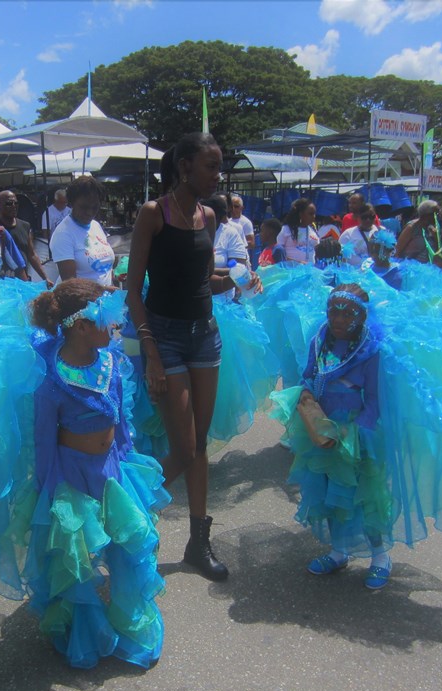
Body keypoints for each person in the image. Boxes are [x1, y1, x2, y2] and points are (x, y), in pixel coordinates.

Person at [126, 131, 261, 581]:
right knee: (183, 450)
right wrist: (150, 353)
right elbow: (133, 290)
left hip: (206, 337)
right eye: (210, 166)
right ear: (184, 167)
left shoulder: (206, 216)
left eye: (219, 166)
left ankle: (197, 544)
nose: (217, 175)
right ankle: (124, 512)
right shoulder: (154, 213)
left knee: (199, 446)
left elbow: (206, 280)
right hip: (164, 339)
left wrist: (241, 279)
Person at [25, 280, 168, 668]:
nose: (115, 327)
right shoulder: (51, 380)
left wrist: (126, 459)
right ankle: (82, 626)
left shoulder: (111, 364)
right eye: (107, 320)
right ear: (81, 326)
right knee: (77, 559)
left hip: (111, 473)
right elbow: (44, 442)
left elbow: (121, 419)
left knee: (126, 545)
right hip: (71, 476)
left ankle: (127, 619)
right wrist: (50, 490)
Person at [269, 284, 392, 589]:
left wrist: (358, 433)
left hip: (354, 434)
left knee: (363, 496)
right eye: (333, 310)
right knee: (327, 492)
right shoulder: (319, 342)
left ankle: (380, 556)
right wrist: (307, 394)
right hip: (322, 428)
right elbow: (308, 374)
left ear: (362, 316)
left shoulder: (371, 351)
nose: (338, 318)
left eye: (347, 312)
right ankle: (339, 552)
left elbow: (375, 399)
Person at [50, 175, 116, 286]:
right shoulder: (63, 234)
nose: (90, 213)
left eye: (94, 207)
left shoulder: (96, 226)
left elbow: (104, 271)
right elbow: (71, 286)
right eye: (84, 207)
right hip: (79, 301)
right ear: (71, 203)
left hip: (104, 300)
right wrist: (105, 290)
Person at [0, 189, 52, 286]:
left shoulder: (25, 226)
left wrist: (45, 278)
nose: (13, 206)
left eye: (16, 203)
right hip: (3, 282)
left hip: (23, 279)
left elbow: (32, 254)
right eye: (9, 203)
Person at [395, 200, 440, 264]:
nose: (438, 217)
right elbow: (397, 251)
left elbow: (439, 252)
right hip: (410, 269)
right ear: (426, 215)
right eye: (436, 214)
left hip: (428, 269)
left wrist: (436, 238)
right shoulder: (411, 228)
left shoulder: (433, 228)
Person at [277, 198, 320, 265]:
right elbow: (277, 253)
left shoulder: (313, 230)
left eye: (314, 214)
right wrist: (297, 263)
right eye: (310, 214)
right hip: (291, 272)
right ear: (301, 214)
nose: (314, 217)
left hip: (311, 271)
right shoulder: (286, 229)